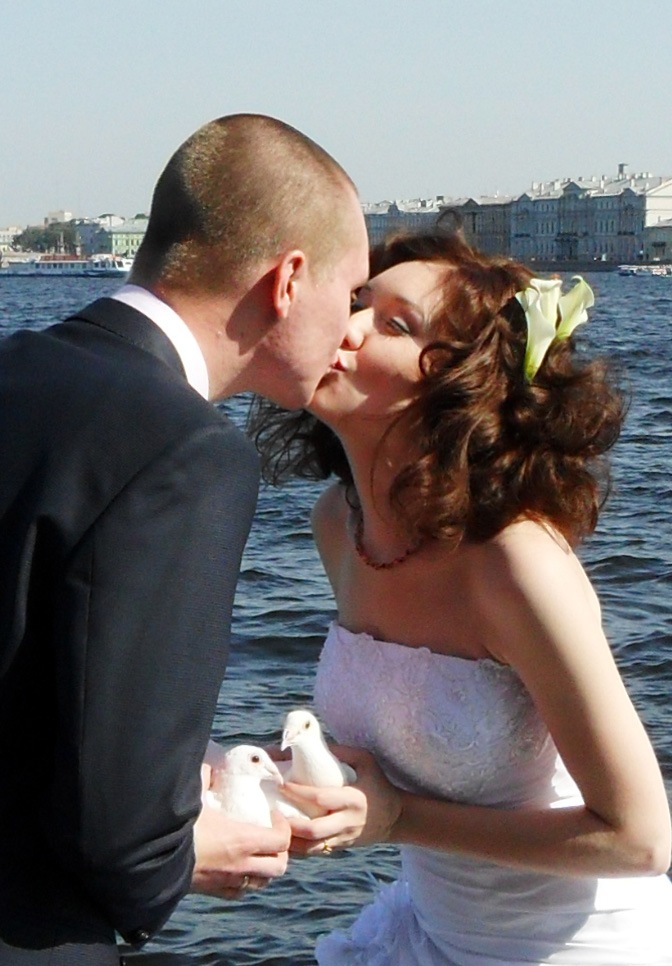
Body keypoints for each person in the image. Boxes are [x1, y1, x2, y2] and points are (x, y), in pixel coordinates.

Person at [0, 113, 369, 964]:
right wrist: (180, 854)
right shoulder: (189, 452)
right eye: (350, 293)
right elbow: (123, 840)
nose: (352, 325)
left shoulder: (16, 366)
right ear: (288, 280)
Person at [250, 225, 672, 964]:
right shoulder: (338, 525)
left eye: (393, 324)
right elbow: (403, 725)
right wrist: (304, 780)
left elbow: (639, 840)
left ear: (457, 389)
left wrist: (396, 821)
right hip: (434, 933)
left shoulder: (515, 565)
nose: (347, 328)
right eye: (357, 302)